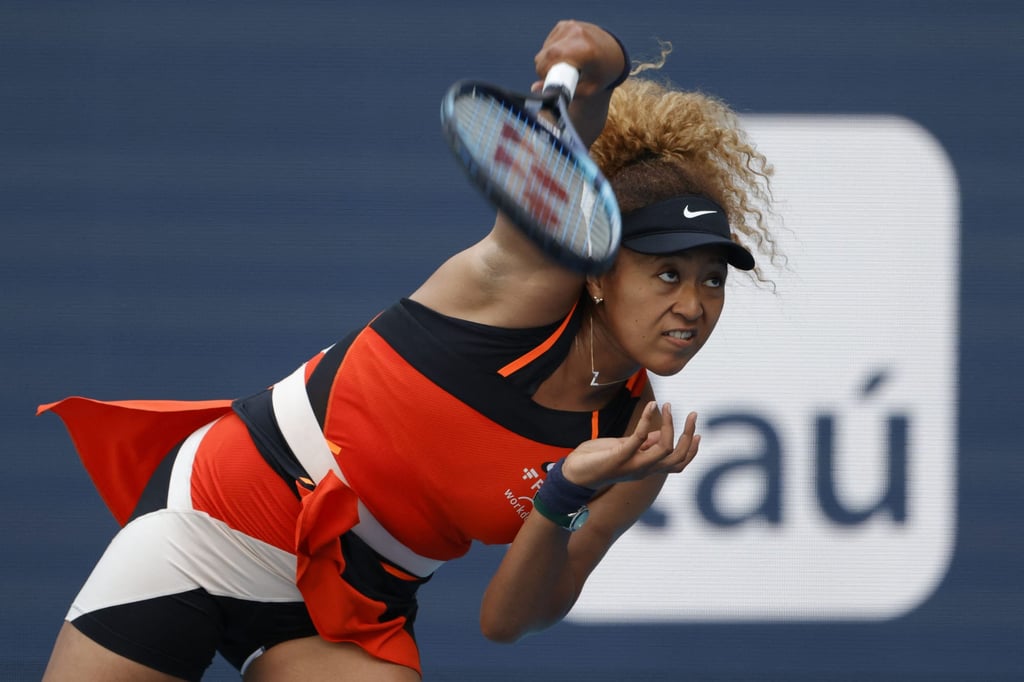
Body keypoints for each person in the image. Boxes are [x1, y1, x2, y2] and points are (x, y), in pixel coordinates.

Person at [39, 19, 777, 682]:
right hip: (224, 516)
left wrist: (563, 496)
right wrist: (600, 63)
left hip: (352, 612)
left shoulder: (632, 449)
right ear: (598, 272)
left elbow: (507, 620)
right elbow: (557, 158)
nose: (693, 304)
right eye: (667, 273)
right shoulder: (523, 283)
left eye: (713, 280)